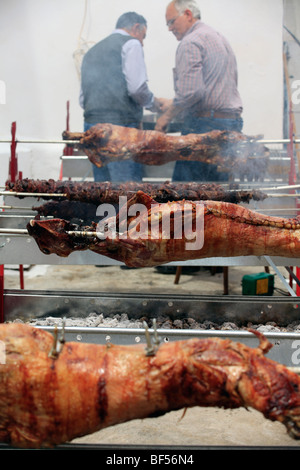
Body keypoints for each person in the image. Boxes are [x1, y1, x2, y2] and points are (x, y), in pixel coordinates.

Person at [155, 0, 243, 182]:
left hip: (204, 127)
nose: (170, 29)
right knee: (219, 196)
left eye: (171, 22)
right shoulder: (217, 37)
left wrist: (166, 117)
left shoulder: (190, 42)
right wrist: (173, 102)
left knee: (183, 195)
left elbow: (191, 92)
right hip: (230, 124)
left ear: (188, 14)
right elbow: (210, 87)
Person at [80, 12, 167, 182]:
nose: (142, 42)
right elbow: (136, 88)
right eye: (144, 36)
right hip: (120, 128)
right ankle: (127, 210)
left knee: (102, 191)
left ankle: (104, 210)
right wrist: (154, 104)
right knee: (127, 192)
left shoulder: (91, 52)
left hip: (91, 126)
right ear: (136, 28)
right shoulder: (131, 44)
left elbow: (83, 100)